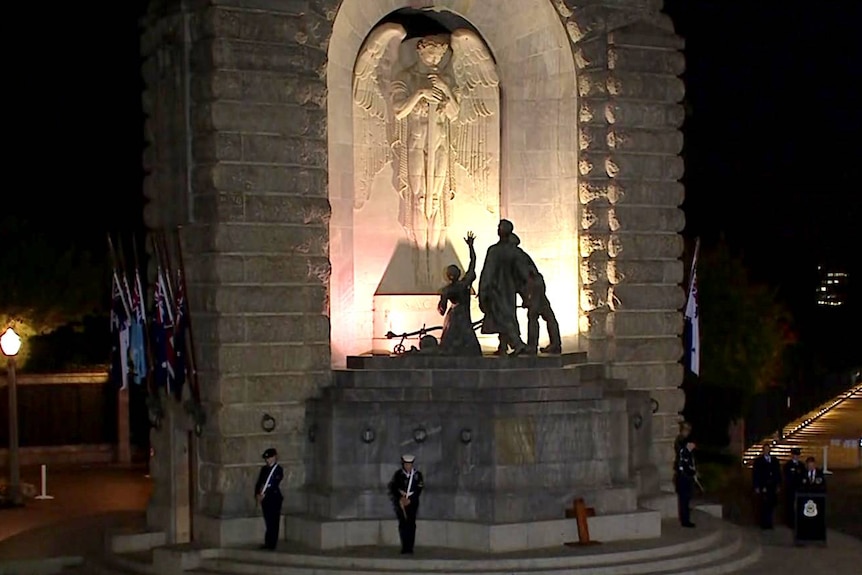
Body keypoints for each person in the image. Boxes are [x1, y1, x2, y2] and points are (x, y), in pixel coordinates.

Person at [478, 219, 528, 355]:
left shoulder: (494, 251)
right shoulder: (514, 251)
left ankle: (517, 343)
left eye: (499, 227)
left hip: (497, 289)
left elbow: (488, 271)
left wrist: (484, 289)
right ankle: (503, 345)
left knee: (503, 317)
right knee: (506, 315)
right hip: (509, 289)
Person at [510, 233, 561, 355]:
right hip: (537, 284)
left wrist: (528, 297)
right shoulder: (520, 254)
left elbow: (525, 275)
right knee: (547, 314)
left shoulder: (516, 256)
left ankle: (532, 346)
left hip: (532, 285)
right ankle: (555, 343)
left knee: (533, 316)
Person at [437, 231, 481, 355]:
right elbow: (473, 263)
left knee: (449, 343)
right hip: (464, 315)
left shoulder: (448, 290)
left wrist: (443, 298)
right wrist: (471, 246)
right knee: (469, 341)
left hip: (455, 317)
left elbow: (441, 310)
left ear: (448, 276)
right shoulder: (465, 283)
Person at [388, 454, 425, 554]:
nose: (408, 466)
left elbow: (419, 489)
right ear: (403, 464)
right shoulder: (398, 475)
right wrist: (400, 498)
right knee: (403, 524)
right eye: (406, 464)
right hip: (401, 503)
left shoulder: (417, 475)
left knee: (411, 524)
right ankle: (404, 546)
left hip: (412, 503)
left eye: (409, 464)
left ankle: (410, 547)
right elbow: (393, 487)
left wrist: (411, 500)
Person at [254, 447, 284, 550]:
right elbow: (259, 482)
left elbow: (274, 484)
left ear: (274, 457)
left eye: (270, 458)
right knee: (268, 521)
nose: (268, 460)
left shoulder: (278, 470)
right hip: (265, 500)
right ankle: (268, 542)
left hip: (274, 498)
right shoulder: (264, 469)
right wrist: (257, 494)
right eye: (267, 459)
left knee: (274, 521)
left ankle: (272, 544)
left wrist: (264, 493)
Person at [752, 443, 781, 529]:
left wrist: (778, 485)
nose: (766, 451)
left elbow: (778, 473)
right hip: (763, 486)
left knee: (771, 505)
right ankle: (763, 523)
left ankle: (770, 522)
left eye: (768, 449)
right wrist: (756, 486)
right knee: (763, 505)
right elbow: (755, 474)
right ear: (763, 450)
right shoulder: (758, 461)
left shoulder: (774, 460)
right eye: (765, 449)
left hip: (772, 486)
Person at [675, 439, 698, 528]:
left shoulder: (689, 453)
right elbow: (684, 467)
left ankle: (686, 518)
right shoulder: (683, 453)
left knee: (687, 500)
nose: (694, 446)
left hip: (687, 479)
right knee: (684, 500)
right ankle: (685, 520)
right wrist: (692, 473)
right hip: (683, 479)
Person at [783, 447, 805, 527]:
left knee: (799, 505)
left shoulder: (801, 465)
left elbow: (803, 476)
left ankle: (798, 521)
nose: (796, 456)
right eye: (794, 454)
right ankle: (790, 522)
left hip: (799, 489)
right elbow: (787, 477)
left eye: (797, 455)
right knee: (790, 506)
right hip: (790, 489)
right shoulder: (788, 465)